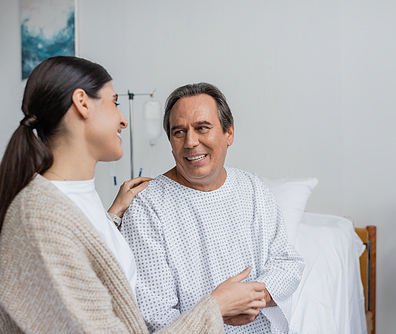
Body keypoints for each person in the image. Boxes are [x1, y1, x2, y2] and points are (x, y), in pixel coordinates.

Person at [0, 57, 267, 334]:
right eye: (114, 103)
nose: (124, 120)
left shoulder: (80, 204)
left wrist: (110, 216)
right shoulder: (41, 216)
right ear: (82, 103)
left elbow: (85, 262)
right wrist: (215, 308)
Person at [121, 83, 305, 334]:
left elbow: (287, 262)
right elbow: (154, 314)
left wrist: (248, 299)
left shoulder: (252, 188)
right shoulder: (147, 206)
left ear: (229, 133)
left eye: (202, 128)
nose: (190, 142)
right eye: (179, 132)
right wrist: (217, 310)